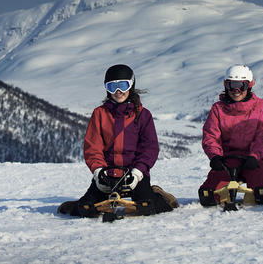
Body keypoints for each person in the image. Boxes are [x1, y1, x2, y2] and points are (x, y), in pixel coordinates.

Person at [57, 64, 178, 217]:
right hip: (107, 174)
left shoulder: (142, 115)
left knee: (148, 207)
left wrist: (138, 172)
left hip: (134, 174)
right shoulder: (100, 114)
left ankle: (159, 195)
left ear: (131, 85)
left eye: (123, 85)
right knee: (85, 209)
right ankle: (83, 202)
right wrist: (98, 172)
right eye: (112, 87)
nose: (118, 91)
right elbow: (92, 147)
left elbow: (150, 148)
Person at [199, 64, 263, 205]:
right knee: (210, 195)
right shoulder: (218, 109)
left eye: (241, 85)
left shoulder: (260, 106)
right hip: (227, 161)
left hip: (254, 160)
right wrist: (215, 156)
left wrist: (254, 156)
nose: (236, 90)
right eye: (231, 85)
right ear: (225, 86)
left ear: (249, 86)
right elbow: (210, 136)